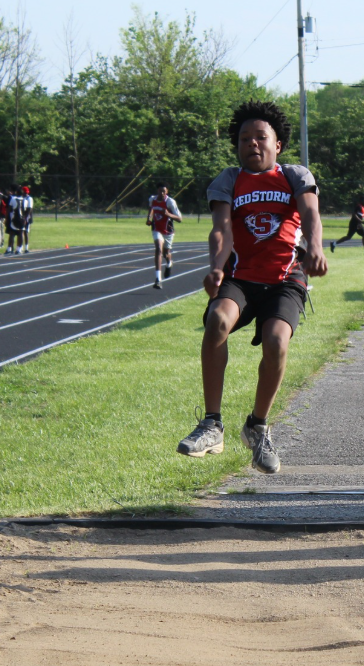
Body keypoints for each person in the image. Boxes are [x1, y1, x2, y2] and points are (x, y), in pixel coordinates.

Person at [177, 100, 328, 474]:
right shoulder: (229, 180)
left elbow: (310, 214)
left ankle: (257, 426)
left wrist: (316, 249)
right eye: (245, 138)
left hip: (286, 278)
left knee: (277, 340)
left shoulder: (294, 175)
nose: (252, 144)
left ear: (278, 144)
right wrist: (215, 267)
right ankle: (212, 424)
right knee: (217, 321)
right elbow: (221, 229)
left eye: (261, 137)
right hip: (241, 277)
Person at [146, 183, 182, 289]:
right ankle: (158, 279)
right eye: (160, 191)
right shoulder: (152, 199)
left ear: (167, 192)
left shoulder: (170, 202)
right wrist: (149, 218)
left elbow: (180, 219)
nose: (161, 193)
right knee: (158, 249)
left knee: (166, 253)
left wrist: (168, 214)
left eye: (164, 191)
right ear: (157, 191)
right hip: (156, 228)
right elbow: (151, 208)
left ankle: (169, 263)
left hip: (168, 231)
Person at [4, 184, 24, 255]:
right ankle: (19, 248)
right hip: (22, 218)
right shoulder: (24, 199)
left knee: (12, 233)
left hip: (14, 217)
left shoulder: (13, 199)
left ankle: (9, 248)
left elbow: (9, 210)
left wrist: (7, 219)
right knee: (20, 233)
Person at [21, 186, 33, 253]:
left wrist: (25, 218)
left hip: (27, 217)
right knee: (21, 232)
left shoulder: (29, 198)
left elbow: (29, 209)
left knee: (26, 232)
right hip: (22, 217)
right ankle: (21, 246)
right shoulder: (22, 198)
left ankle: (26, 247)